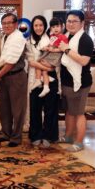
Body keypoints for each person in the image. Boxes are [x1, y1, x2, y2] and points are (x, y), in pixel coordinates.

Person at [58, 10, 94, 152]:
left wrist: (66, 50)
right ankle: (68, 136)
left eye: (74, 21)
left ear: (82, 23)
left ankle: (79, 142)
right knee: (69, 111)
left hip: (80, 82)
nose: (71, 24)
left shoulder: (85, 39)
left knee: (78, 113)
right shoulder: (65, 37)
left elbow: (84, 61)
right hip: (67, 81)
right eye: (68, 21)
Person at [0, 13, 27, 147]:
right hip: (5, 76)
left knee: (17, 109)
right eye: (4, 23)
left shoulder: (18, 38)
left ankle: (16, 138)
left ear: (15, 24)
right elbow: (0, 58)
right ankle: (6, 133)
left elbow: (11, 62)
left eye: (9, 23)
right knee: (4, 108)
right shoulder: (5, 37)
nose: (6, 25)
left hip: (16, 76)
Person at [26, 15, 60, 148]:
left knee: (50, 109)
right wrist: (43, 66)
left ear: (45, 26)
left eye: (41, 25)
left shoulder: (52, 40)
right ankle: (36, 135)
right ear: (32, 27)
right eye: (36, 25)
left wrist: (41, 65)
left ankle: (48, 136)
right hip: (35, 78)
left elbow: (54, 64)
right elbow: (30, 62)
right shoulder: (28, 41)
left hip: (51, 78)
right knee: (35, 108)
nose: (38, 28)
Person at [31, 17, 68, 97]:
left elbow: (64, 48)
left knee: (39, 63)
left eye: (57, 26)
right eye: (53, 27)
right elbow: (50, 45)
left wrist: (53, 50)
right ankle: (44, 85)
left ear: (62, 26)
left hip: (54, 58)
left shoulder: (62, 37)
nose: (55, 29)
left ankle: (39, 81)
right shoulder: (52, 36)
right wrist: (46, 47)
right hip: (49, 56)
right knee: (43, 70)